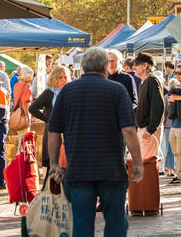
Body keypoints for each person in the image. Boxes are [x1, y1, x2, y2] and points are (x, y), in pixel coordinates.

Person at [48, 47, 143, 236]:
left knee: (81, 223)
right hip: (111, 169)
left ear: (83, 67)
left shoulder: (67, 91)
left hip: (78, 169)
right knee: (116, 221)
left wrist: (53, 164)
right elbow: (128, 130)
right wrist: (138, 162)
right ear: (104, 66)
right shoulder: (117, 90)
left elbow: (53, 131)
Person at [29, 65, 70, 170]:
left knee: (65, 164)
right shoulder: (49, 93)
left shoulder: (69, 92)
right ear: (54, 78)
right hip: (53, 132)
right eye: (60, 78)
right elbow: (32, 108)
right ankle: (50, 185)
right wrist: (49, 120)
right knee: (53, 164)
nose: (63, 80)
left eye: (65, 77)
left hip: (67, 132)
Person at [134, 52, 165, 156]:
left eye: (136, 64)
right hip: (143, 128)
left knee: (148, 164)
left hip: (148, 130)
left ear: (145, 65)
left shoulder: (152, 81)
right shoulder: (143, 83)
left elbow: (158, 106)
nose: (134, 67)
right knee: (142, 163)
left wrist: (150, 129)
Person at [11, 66, 34, 140]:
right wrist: (27, 118)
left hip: (16, 112)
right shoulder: (27, 86)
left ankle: (19, 151)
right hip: (23, 113)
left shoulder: (16, 85)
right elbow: (25, 102)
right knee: (25, 140)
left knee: (20, 139)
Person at [161, 79, 177, 177]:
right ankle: (173, 169)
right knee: (178, 148)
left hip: (168, 125)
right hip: (175, 124)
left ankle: (170, 169)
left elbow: (164, 112)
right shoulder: (168, 98)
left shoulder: (166, 97)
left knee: (169, 148)